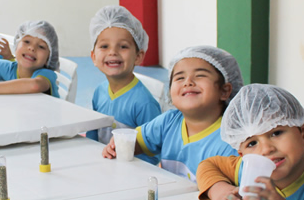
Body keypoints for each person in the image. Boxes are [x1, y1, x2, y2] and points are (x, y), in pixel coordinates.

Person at [102, 45, 240, 180]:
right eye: (180, 78)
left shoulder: (231, 141)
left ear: (224, 91)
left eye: (200, 75)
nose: (188, 82)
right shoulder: (169, 121)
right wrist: (118, 145)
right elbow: (137, 142)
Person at [85, 5, 161, 156]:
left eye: (123, 46)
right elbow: (93, 133)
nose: (113, 52)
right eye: (104, 46)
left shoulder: (144, 103)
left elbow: (153, 152)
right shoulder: (99, 92)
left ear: (138, 56)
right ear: (94, 57)